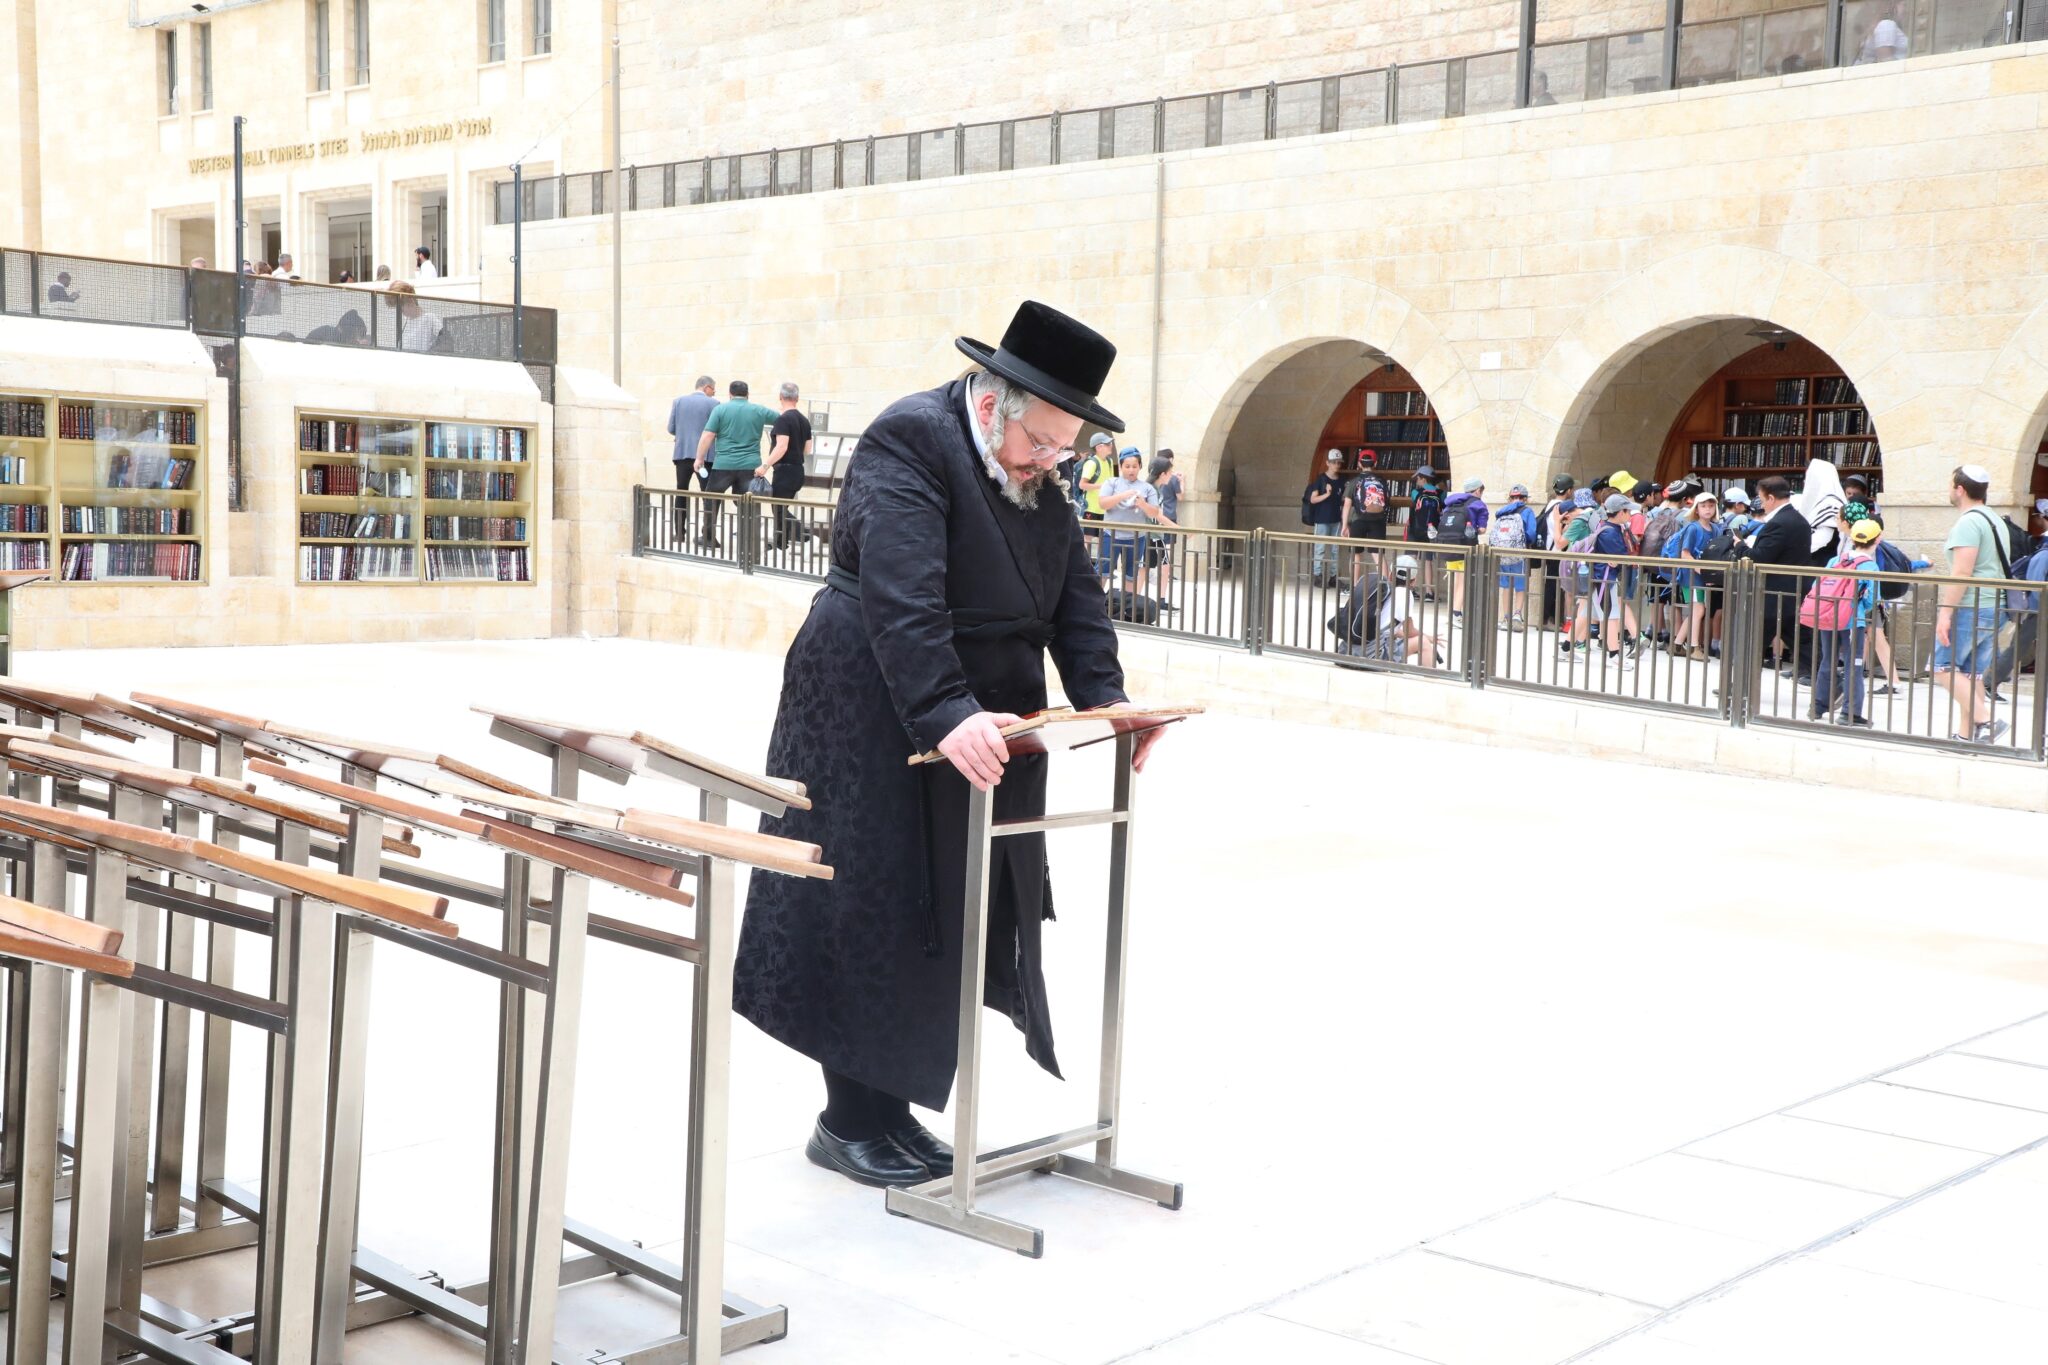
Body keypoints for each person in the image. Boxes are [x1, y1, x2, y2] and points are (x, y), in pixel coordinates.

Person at [733, 300, 1162, 1188]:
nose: (1052, 461)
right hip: (872, 698)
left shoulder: (1035, 460)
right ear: (995, 402)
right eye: (1042, 442)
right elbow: (902, 594)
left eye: (1064, 448)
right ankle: (849, 1120)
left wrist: (1106, 701)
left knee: (952, 906)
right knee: (873, 901)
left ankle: (892, 1110)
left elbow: (1073, 589)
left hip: (982, 711)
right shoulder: (911, 438)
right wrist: (943, 708)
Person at [1933, 464, 2009, 744]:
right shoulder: (1994, 519)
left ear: (1960, 490)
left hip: (1972, 605)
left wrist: (1945, 613)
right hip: (1993, 605)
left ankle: (1989, 721)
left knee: (1941, 668)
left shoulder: (1967, 522)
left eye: (1951, 485)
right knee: (1970, 674)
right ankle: (1966, 736)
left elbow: (1962, 572)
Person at [1809, 516, 1880, 728]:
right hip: (1852, 620)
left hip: (1828, 616)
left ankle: (1818, 706)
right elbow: (1870, 600)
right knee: (1854, 663)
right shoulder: (1870, 566)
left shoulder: (1836, 560)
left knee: (1827, 659)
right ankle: (1850, 712)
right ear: (1876, 540)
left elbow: (1818, 585)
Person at [695, 380, 777, 548]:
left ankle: (709, 539)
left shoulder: (720, 409)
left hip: (723, 465)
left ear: (730, 394)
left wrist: (699, 459)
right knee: (747, 502)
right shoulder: (759, 410)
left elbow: (707, 436)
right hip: (750, 465)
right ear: (747, 394)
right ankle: (750, 541)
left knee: (711, 499)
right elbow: (782, 420)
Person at [1744, 475, 1813, 675]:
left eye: (1763, 499)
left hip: (1775, 594)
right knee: (1802, 642)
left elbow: (1760, 557)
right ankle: (1832, 685)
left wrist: (1740, 546)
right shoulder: (1799, 520)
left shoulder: (1779, 523)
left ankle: (1737, 689)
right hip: (1792, 592)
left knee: (1754, 641)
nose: (1763, 505)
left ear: (1771, 498)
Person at [1100, 447, 1170, 599]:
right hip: (1110, 534)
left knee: (1131, 573)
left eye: (1134, 466)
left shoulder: (1147, 488)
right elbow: (1103, 504)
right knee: (1103, 570)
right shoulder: (1111, 483)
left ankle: (1127, 607)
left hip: (1137, 538)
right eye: (1127, 466)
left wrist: (1143, 504)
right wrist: (1123, 495)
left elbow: (1154, 513)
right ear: (1121, 466)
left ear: (1140, 467)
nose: (1131, 470)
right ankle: (1094, 604)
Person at [1668, 491, 1721, 661]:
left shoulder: (1715, 529)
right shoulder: (1693, 528)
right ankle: (1693, 647)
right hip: (1691, 575)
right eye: (1703, 506)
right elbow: (1685, 554)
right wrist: (1703, 571)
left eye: (1711, 506)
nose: (1707, 509)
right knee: (1699, 609)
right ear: (1696, 509)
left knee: (1697, 610)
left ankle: (1677, 644)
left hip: (1702, 575)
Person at [761, 381, 814, 548]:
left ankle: (805, 535)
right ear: (797, 398)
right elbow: (808, 448)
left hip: (784, 471)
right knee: (781, 508)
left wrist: (765, 466)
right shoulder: (804, 421)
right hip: (798, 470)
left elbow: (781, 446)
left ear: (780, 397)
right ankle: (780, 543)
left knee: (778, 509)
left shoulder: (783, 419)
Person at [1490, 482, 1539, 630]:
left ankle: (1505, 617)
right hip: (1520, 553)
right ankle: (1517, 615)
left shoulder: (1502, 512)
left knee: (1505, 586)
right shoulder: (1527, 511)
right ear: (1525, 498)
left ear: (1510, 498)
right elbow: (1531, 534)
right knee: (1520, 585)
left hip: (1503, 553)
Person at [1440, 476, 1488, 622]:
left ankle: (1453, 611)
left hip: (1447, 544)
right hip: (1465, 545)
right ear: (1478, 490)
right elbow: (1482, 529)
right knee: (1464, 580)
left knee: (1456, 580)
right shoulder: (1478, 504)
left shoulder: (1451, 503)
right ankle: (1456, 614)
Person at [668, 374, 717, 494]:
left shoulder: (678, 401)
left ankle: (680, 513)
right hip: (705, 456)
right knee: (707, 492)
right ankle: (708, 514)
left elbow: (671, 428)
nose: (714, 392)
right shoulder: (714, 404)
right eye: (713, 389)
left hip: (682, 453)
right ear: (707, 387)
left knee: (681, 491)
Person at [1147, 451, 1184, 605]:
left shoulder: (1157, 488)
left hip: (1156, 535)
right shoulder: (1150, 489)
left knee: (1164, 567)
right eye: (1169, 472)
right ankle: (1132, 601)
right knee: (1143, 570)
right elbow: (1158, 515)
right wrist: (1179, 529)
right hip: (1149, 534)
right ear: (1163, 474)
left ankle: (1160, 600)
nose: (1172, 475)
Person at [1075, 432, 1115, 574]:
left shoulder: (1109, 462)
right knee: (1088, 539)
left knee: (1102, 539)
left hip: (1104, 508)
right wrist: (1101, 486)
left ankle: (1098, 568)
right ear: (1099, 447)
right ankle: (1086, 567)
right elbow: (1082, 485)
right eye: (1108, 444)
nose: (1111, 446)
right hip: (1091, 508)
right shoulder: (1092, 463)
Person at [1303, 451, 1345, 585]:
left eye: (1338, 463)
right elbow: (1313, 499)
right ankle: (1318, 576)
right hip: (1322, 518)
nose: (1336, 465)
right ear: (1327, 463)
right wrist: (1327, 495)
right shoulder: (1321, 479)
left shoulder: (1341, 481)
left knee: (1335, 549)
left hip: (1336, 519)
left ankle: (1333, 577)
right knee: (1319, 548)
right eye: (1333, 462)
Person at [384, 281, 443, 353]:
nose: (399, 312)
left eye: (401, 308)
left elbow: (447, 341)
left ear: (410, 302)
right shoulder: (405, 323)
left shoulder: (429, 318)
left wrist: (429, 353)